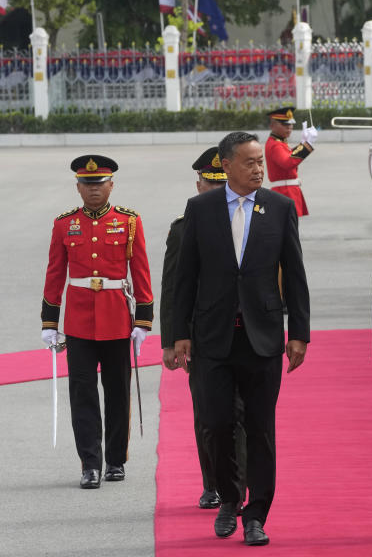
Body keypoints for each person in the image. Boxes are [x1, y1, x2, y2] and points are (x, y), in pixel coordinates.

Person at [171, 131, 310, 547]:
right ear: (225, 164)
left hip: (262, 338)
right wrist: (179, 334)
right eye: (249, 162)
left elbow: (295, 274)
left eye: (259, 162)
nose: (258, 169)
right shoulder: (200, 210)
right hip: (212, 339)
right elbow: (185, 279)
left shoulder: (281, 208)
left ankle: (256, 514)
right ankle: (230, 498)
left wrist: (299, 333)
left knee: (260, 428)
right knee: (216, 424)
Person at [41, 154, 153, 489]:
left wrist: (143, 320)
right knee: (83, 394)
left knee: (117, 392)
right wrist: (50, 322)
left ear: (111, 185)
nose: (94, 190)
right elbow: (55, 274)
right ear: (78, 187)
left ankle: (115, 460)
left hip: (118, 319)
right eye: (87, 184)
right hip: (78, 323)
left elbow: (141, 272)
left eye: (100, 183)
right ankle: (90, 463)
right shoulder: (64, 224)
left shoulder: (129, 221)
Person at [160, 146, 245, 510]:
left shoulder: (249, 218)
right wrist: (171, 341)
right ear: (198, 185)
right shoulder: (184, 228)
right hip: (202, 336)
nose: (215, 191)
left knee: (242, 413)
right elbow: (172, 288)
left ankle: (239, 485)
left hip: (245, 332)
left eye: (221, 184)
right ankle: (212, 482)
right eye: (209, 184)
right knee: (209, 416)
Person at [264, 106, 318, 216]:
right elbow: (287, 163)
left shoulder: (279, 142)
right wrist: (307, 145)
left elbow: (288, 155)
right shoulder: (275, 145)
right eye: (285, 124)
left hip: (286, 190)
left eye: (291, 124)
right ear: (272, 125)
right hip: (285, 191)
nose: (289, 127)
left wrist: (303, 144)